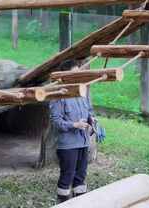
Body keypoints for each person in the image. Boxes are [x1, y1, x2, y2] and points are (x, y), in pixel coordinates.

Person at [49, 59, 95, 203]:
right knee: (67, 175)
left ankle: (80, 203)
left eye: (78, 73)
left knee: (81, 176)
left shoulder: (83, 91)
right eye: (74, 73)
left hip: (83, 141)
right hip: (68, 144)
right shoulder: (59, 94)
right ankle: (62, 203)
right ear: (66, 75)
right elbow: (55, 121)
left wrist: (92, 121)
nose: (78, 76)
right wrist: (74, 125)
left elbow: (89, 111)